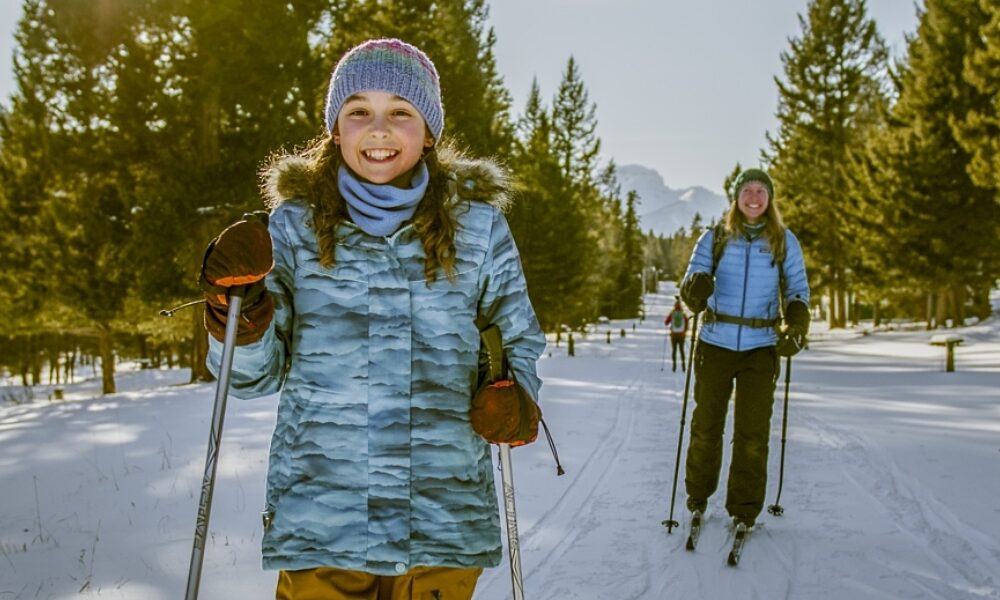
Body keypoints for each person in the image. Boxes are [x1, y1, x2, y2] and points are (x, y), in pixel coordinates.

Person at [199, 38, 546, 600]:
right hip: (324, 517)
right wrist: (241, 316)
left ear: (428, 132)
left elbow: (519, 340)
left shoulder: (480, 232)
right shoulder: (293, 229)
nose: (378, 129)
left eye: (400, 112)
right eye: (359, 110)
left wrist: (516, 398)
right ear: (335, 128)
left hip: (443, 516)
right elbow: (249, 378)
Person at [678, 167, 810, 531]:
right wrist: (696, 288)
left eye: (760, 191)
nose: (754, 197)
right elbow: (691, 283)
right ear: (736, 198)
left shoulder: (784, 241)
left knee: (752, 434)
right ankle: (698, 496)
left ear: (769, 198)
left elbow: (798, 289)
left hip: (761, 347)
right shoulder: (715, 237)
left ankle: (744, 509)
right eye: (747, 190)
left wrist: (797, 324)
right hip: (716, 343)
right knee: (706, 426)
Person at [664, 298, 689, 372]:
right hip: (681, 335)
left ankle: (674, 367)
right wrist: (684, 331)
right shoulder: (683, 314)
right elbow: (687, 325)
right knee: (682, 350)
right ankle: (683, 367)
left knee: (674, 350)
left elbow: (666, 322)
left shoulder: (672, 313)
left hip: (674, 335)